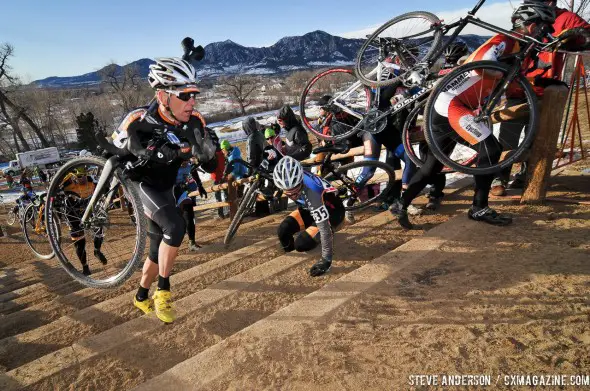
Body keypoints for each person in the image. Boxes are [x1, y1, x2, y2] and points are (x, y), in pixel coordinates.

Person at [392, 1, 559, 229]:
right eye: (544, 26)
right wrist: (505, 65)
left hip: (449, 105)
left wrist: (538, 80)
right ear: (530, 25)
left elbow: (510, 84)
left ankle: (400, 203)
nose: (547, 32)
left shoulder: (521, 49)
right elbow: (482, 64)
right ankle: (479, 208)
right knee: (491, 150)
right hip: (453, 102)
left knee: (432, 165)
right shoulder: (505, 40)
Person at [113, 57, 219, 323]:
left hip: (166, 187)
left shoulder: (195, 120)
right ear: (162, 95)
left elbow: (208, 160)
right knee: (175, 226)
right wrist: (156, 151)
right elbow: (121, 148)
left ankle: (139, 297)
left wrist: (209, 153)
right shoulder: (139, 119)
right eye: (185, 96)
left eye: (194, 94)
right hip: (140, 182)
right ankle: (163, 290)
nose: (192, 101)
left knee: (156, 250)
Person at [491, 0, 590, 195]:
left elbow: (587, 34)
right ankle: (499, 177)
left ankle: (525, 177)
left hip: (546, 89)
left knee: (536, 138)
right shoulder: (526, 15)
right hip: (517, 87)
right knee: (508, 135)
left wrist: (575, 38)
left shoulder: (565, 18)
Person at [273, 156, 345, 277]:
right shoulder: (291, 177)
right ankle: (290, 257)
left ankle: (331, 230)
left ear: (300, 181)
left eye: (295, 191)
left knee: (301, 245)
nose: (293, 196)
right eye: (288, 192)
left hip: (331, 212)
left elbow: (324, 230)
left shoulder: (313, 192)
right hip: (308, 208)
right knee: (282, 231)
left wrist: (326, 261)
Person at [59, 167, 108, 275]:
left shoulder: (91, 181)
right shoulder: (67, 181)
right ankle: (85, 267)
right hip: (72, 213)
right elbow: (54, 191)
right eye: (80, 176)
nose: (83, 179)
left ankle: (97, 250)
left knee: (98, 225)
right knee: (79, 242)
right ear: (74, 176)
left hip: (87, 208)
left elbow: (103, 189)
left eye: (85, 175)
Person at [174, 160, 207, 252]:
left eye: (186, 160)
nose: (184, 162)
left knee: (189, 216)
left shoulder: (189, 164)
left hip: (185, 194)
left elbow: (193, 171)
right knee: (177, 219)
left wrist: (200, 186)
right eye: (182, 160)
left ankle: (192, 242)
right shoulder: (172, 166)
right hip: (173, 194)